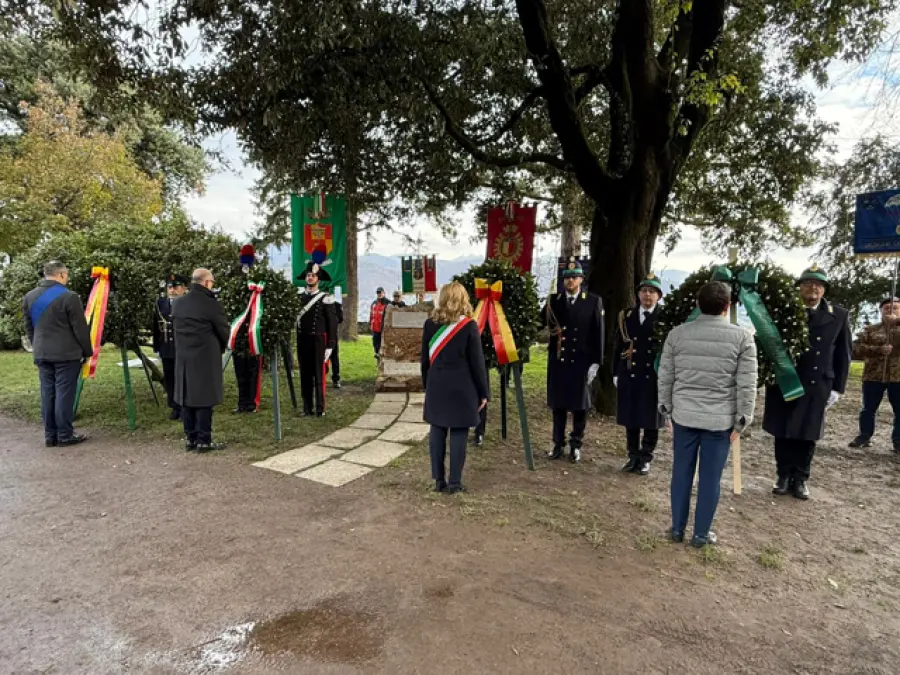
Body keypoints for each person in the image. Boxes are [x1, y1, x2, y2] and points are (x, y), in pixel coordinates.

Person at [658, 281, 758, 548]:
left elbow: (666, 377)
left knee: (681, 473)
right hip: (719, 421)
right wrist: (743, 418)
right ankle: (701, 534)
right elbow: (746, 384)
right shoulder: (743, 338)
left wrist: (666, 410)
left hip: (685, 417)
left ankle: (677, 529)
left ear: (697, 304)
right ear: (727, 307)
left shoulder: (677, 335)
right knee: (710, 478)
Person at [763, 265, 851, 500]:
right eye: (808, 283)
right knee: (783, 430)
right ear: (799, 288)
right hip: (785, 380)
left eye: (819, 285)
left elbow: (843, 353)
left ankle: (800, 479)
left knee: (807, 433)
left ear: (824, 290)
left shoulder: (839, 315)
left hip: (817, 383)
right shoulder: (784, 311)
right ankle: (782, 475)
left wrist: (837, 388)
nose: (813, 288)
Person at [421, 282, 489, 493]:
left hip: (437, 383)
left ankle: (438, 480)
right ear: (463, 299)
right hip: (462, 386)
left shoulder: (429, 324)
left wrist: (427, 384)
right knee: (459, 431)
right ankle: (455, 482)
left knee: (437, 430)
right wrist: (483, 392)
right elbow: (477, 363)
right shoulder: (469, 326)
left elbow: (424, 361)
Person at [22, 261, 93, 447]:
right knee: (64, 393)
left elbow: (30, 328)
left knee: (47, 393)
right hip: (66, 354)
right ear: (61, 275)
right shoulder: (69, 297)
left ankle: (50, 435)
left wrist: (38, 346)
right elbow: (80, 328)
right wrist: (87, 351)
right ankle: (65, 435)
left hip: (42, 353)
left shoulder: (29, 297)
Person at [542, 258, 604, 463]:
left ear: (581, 279)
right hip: (559, 359)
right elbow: (538, 322)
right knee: (558, 405)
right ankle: (557, 443)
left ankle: (576, 444)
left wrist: (596, 362)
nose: (570, 281)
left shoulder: (593, 301)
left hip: (581, 361)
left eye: (574, 277)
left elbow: (598, 333)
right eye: (567, 278)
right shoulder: (554, 301)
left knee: (580, 406)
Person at [172, 268, 230, 452]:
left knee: (186, 397)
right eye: (211, 282)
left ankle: (191, 439)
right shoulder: (210, 304)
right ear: (206, 283)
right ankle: (204, 440)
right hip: (205, 357)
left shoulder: (178, 303)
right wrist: (221, 347)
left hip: (183, 357)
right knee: (205, 398)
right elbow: (224, 331)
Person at [614, 274, 666, 475]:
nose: (647, 295)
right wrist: (615, 372)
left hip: (652, 375)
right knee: (631, 417)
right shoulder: (626, 316)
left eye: (652, 291)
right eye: (644, 291)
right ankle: (632, 455)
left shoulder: (664, 317)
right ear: (638, 294)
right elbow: (618, 345)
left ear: (659, 296)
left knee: (650, 419)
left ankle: (646, 457)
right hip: (630, 372)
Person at [849, 297, 900, 452]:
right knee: (868, 409)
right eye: (886, 308)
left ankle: (898, 441)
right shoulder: (871, 330)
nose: (891, 311)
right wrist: (878, 350)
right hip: (874, 375)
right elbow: (855, 349)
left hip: (898, 377)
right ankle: (864, 436)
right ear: (880, 311)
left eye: (895, 308)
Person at [296, 262, 337, 416]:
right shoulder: (299, 297)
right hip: (303, 339)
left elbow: (332, 323)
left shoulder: (325, 298)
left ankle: (320, 408)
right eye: (308, 275)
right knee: (305, 374)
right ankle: (307, 408)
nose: (310, 278)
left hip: (318, 340)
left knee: (318, 374)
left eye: (313, 275)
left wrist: (330, 345)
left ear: (318, 279)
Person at [152, 273, 188, 420]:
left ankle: (185, 407)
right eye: (169, 287)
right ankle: (174, 407)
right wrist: (157, 346)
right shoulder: (160, 304)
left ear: (184, 288)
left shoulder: (188, 303)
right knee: (170, 378)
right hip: (167, 347)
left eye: (176, 286)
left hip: (183, 348)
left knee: (183, 378)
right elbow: (156, 326)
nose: (172, 290)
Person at [369, 286, 390, 360]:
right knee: (375, 341)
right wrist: (370, 324)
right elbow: (371, 314)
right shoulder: (374, 303)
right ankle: (377, 353)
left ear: (384, 293)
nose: (379, 294)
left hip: (383, 327)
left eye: (381, 292)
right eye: (378, 293)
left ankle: (384, 355)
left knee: (383, 342)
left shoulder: (388, 303)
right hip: (375, 327)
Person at [330, 296, 343, 389]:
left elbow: (340, 319)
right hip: (321, 335)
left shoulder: (337, 306)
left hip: (332, 335)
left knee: (334, 358)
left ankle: (336, 379)